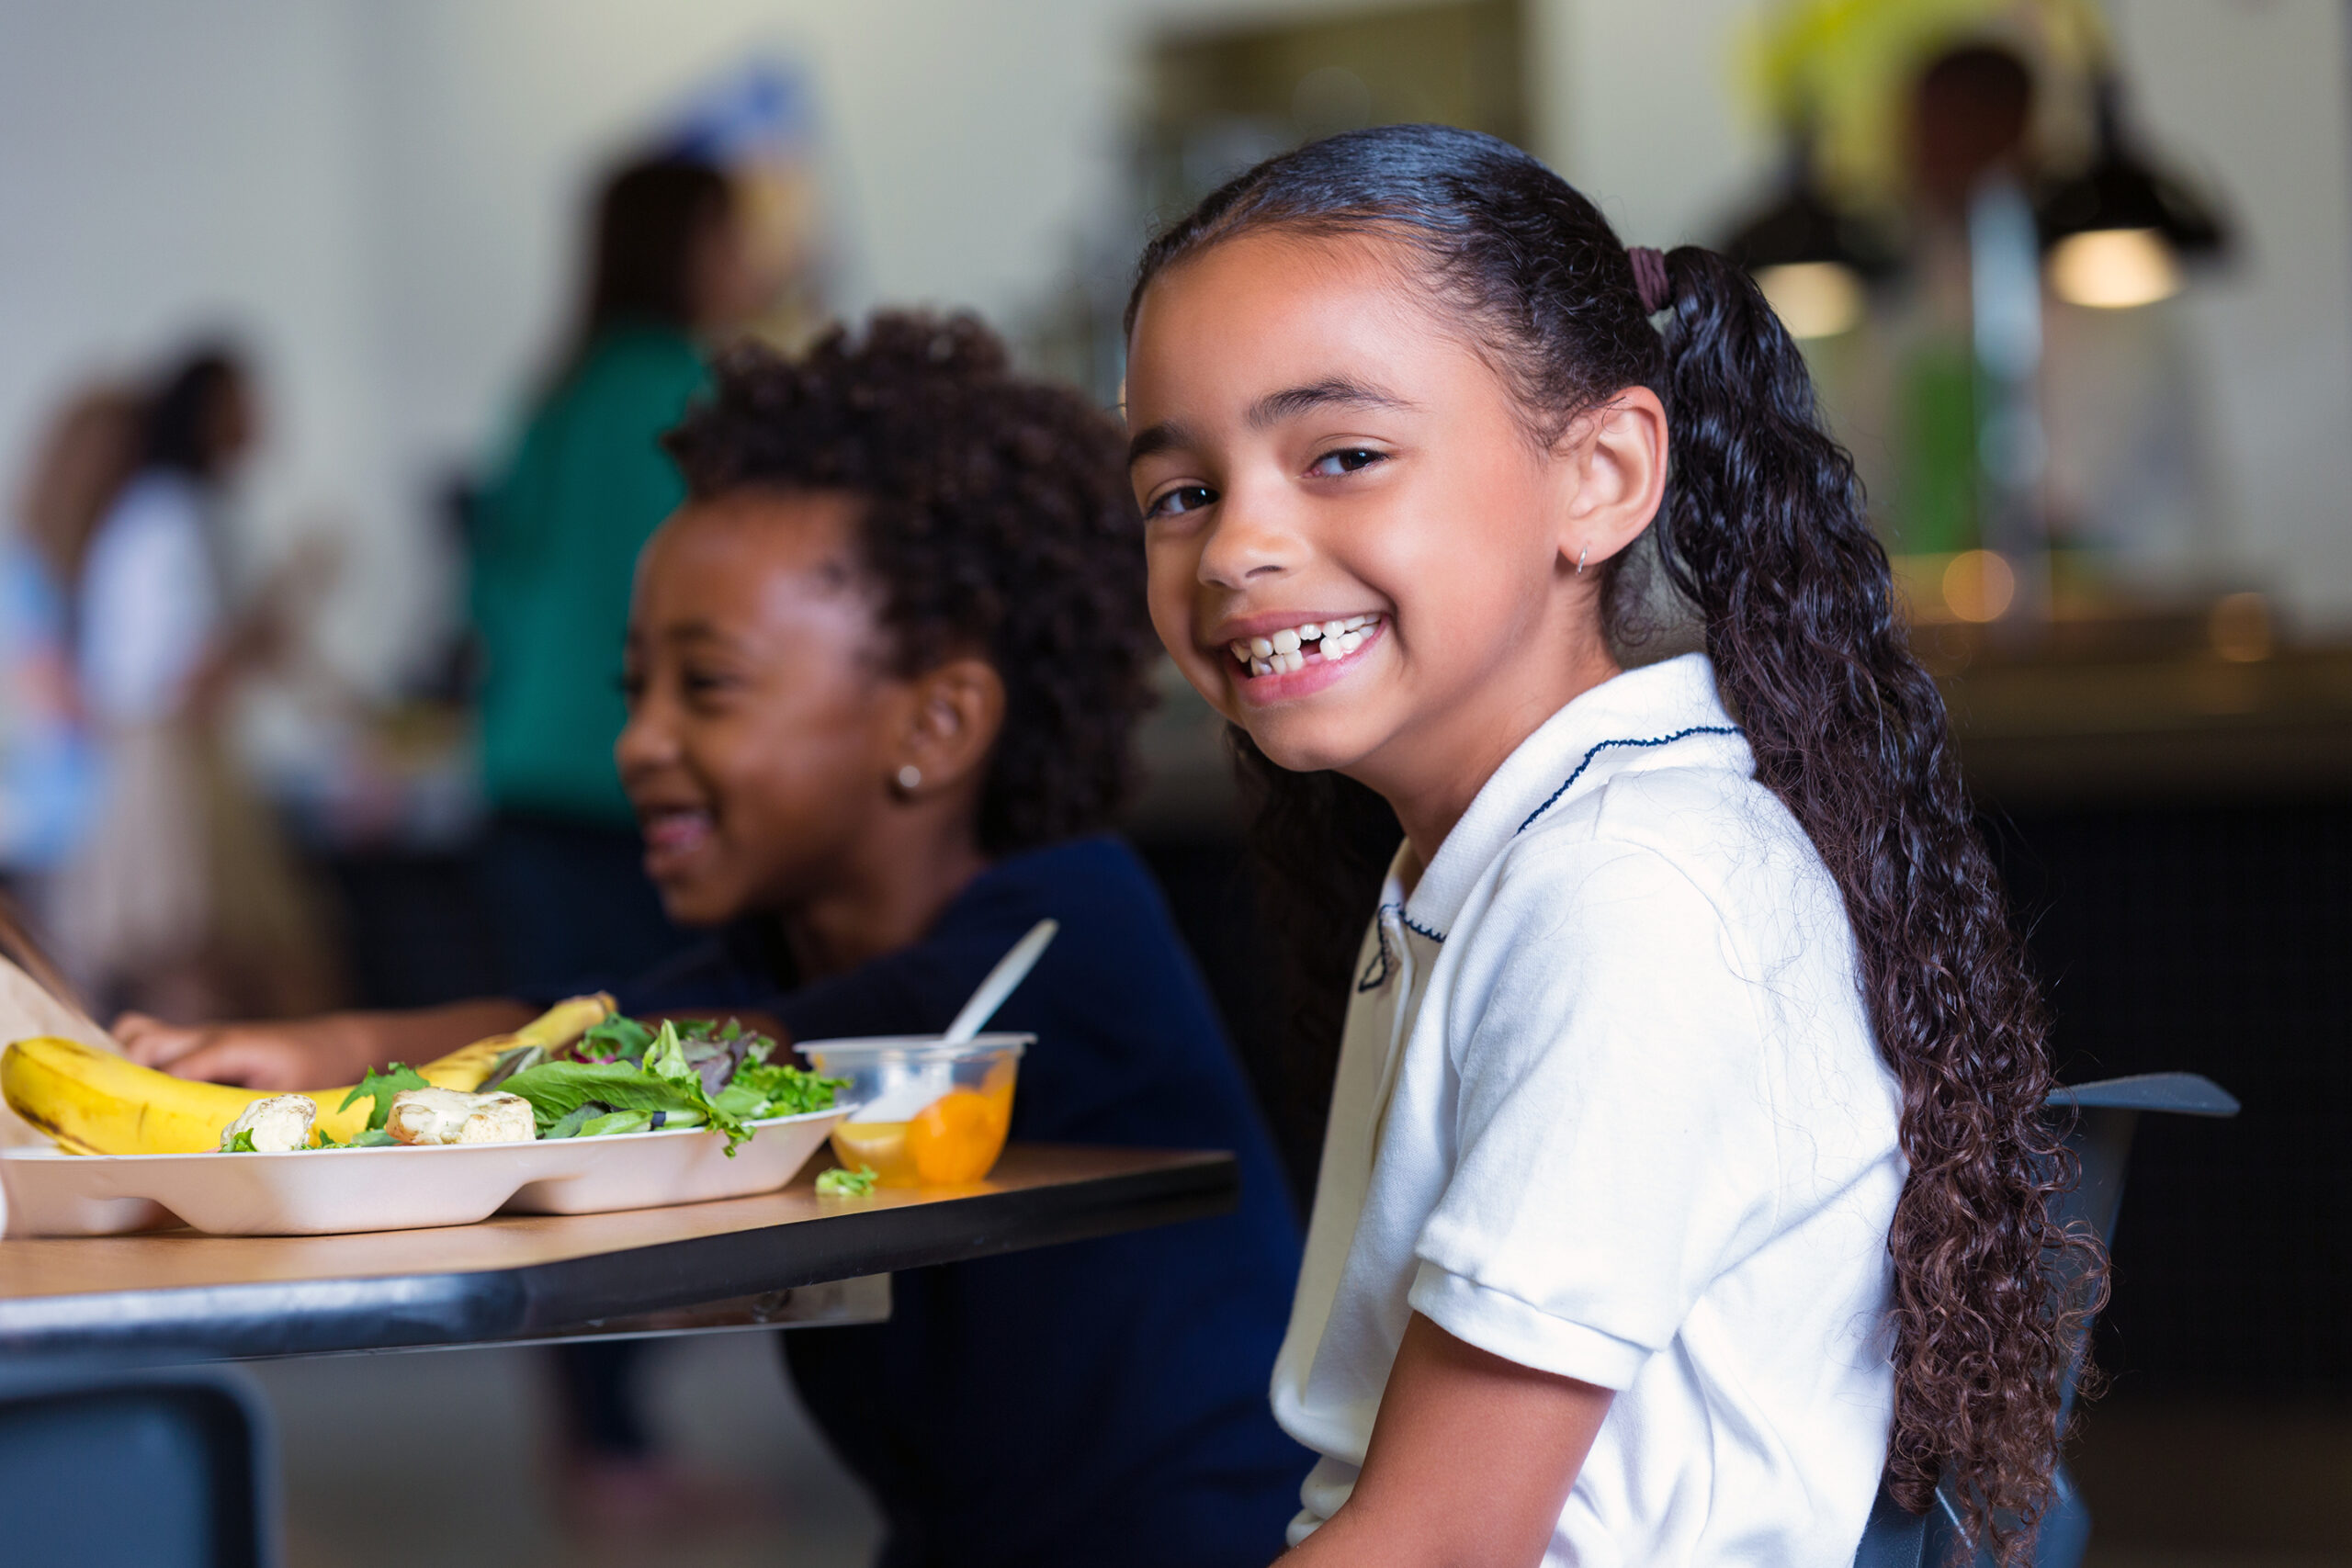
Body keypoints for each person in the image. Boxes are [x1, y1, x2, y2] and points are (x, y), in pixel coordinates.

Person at [125, 313, 1312, 1567]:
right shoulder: (774, 955)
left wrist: (346, 1053)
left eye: (710, 686)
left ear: (939, 722)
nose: (640, 742)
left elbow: (659, 1054)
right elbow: (581, 1015)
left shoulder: (1068, 925)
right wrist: (308, 1052)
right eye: (632, 689)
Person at [1120, 124, 2098, 1567]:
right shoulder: (1515, 852)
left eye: (1342, 454)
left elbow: (1439, 1544)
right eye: (1181, 492)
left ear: (1601, 474)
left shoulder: (1629, 896)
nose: (1232, 548)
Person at [469, 152, 767, 997]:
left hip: (522, 780)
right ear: (695, 245)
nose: (755, 261)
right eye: (738, 236)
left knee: (568, 1067)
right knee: (679, 1069)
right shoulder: (698, 394)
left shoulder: (550, 400)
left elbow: (485, 597)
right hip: (648, 796)